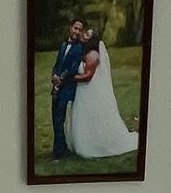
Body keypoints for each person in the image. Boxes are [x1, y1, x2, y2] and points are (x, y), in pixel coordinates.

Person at [67, 27, 139, 160]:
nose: (84, 35)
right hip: (83, 91)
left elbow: (88, 76)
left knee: (91, 115)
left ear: (92, 40)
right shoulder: (85, 52)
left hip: (89, 90)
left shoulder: (93, 54)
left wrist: (70, 78)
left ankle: (94, 144)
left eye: (87, 34)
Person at [49, 16, 90, 160]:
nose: (77, 31)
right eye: (75, 28)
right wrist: (54, 75)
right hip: (57, 86)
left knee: (59, 118)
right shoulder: (63, 45)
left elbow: (73, 67)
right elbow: (57, 64)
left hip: (67, 87)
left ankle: (58, 153)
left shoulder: (79, 47)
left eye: (80, 29)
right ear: (70, 28)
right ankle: (62, 147)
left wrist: (60, 79)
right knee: (54, 117)